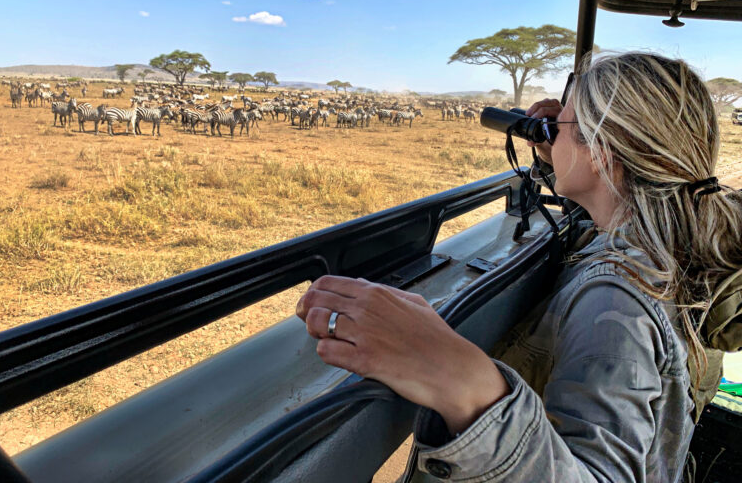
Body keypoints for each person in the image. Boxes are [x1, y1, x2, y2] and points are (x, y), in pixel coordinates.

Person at [296, 52, 742, 482]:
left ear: (603, 152)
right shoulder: (668, 242)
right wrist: (561, 156)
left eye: (564, 125)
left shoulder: (616, 299)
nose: (552, 133)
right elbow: (611, 195)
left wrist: (469, 385)